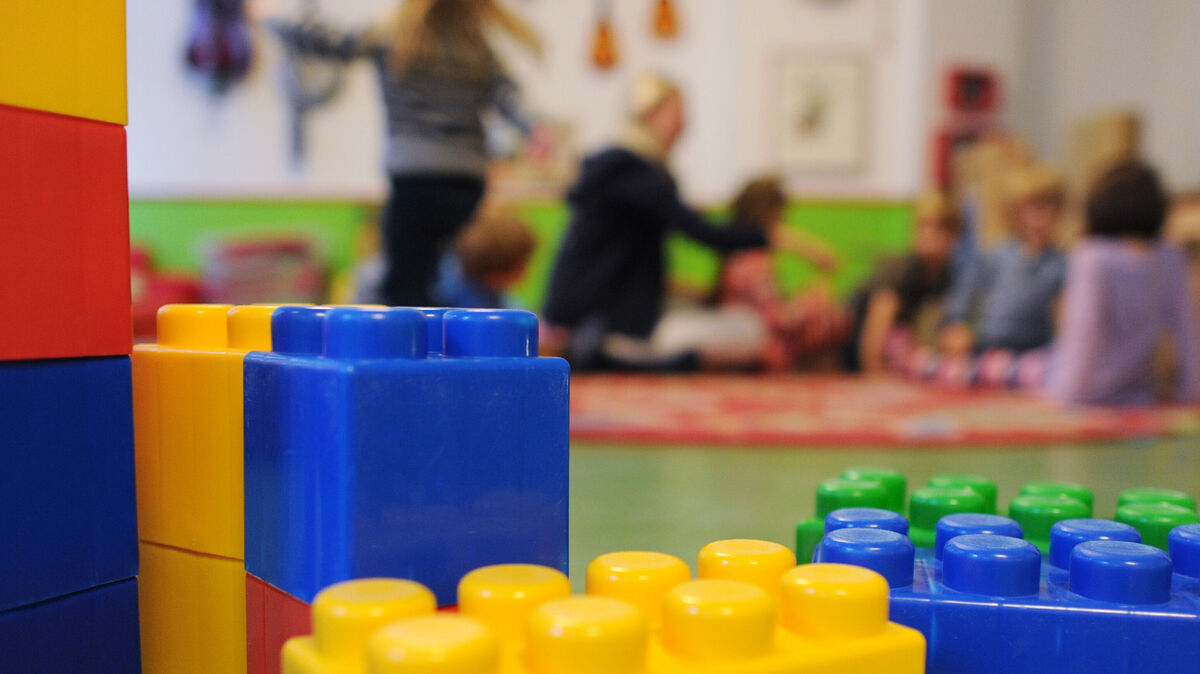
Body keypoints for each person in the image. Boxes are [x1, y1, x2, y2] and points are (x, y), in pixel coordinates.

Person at [266, 0, 542, 305]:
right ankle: (467, 348)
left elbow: (332, 42)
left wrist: (272, 20)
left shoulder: (393, 40)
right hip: (465, 182)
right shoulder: (477, 51)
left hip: (413, 177)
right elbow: (511, 101)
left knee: (406, 286)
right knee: (470, 286)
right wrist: (536, 133)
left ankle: (414, 348)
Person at [542, 73, 782, 369]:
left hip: (587, 313)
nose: (684, 125)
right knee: (750, 330)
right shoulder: (636, 173)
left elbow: (623, 264)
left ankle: (625, 353)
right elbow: (701, 231)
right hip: (606, 320)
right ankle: (621, 354)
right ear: (652, 113)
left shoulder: (618, 170)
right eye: (678, 114)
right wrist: (771, 237)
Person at [1048, 162, 1200, 405]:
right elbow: (1186, 328)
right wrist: (1192, 391)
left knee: (1029, 365)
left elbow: (1084, 328)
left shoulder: (1092, 256)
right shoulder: (1169, 256)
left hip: (1085, 389)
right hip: (1138, 392)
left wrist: (1068, 393)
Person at [715, 176, 848, 370]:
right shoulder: (752, 260)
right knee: (829, 319)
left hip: (756, 326)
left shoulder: (743, 255)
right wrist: (810, 300)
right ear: (771, 213)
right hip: (758, 333)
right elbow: (775, 319)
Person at [940, 164, 1067, 355]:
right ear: (1014, 214)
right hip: (988, 343)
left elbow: (1069, 311)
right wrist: (956, 324)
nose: (1038, 217)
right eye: (1029, 209)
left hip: (1034, 348)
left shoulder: (1059, 263)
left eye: (1046, 208)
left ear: (1057, 212)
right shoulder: (998, 255)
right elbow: (967, 291)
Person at [842, 190, 961, 373]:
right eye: (923, 227)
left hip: (894, 347)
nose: (928, 235)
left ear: (953, 236)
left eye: (937, 229)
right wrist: (874, 372)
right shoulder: (902, 269)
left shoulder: (945, 275)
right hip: (851, 339)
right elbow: (876, 327)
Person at [432, 213, 536, 308]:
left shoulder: (490, 289)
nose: (525, 272)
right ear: (495, 274)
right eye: (520, 265)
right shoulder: (452, 297)